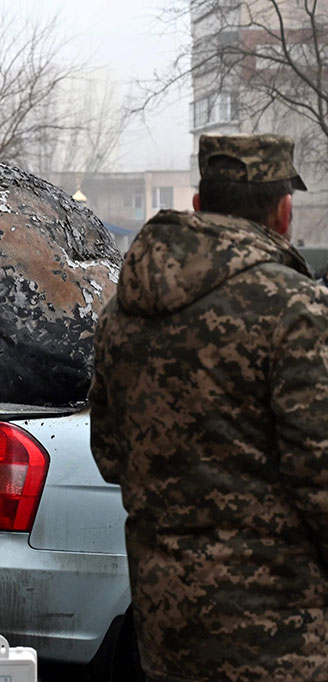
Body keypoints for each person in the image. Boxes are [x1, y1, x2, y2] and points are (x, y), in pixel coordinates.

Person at [89, 134, 328, 681]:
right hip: (281, 635)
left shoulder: (123, 313)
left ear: (198, 206)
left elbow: (108, 455)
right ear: (284, 212)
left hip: (167, 623)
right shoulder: (297, 307)